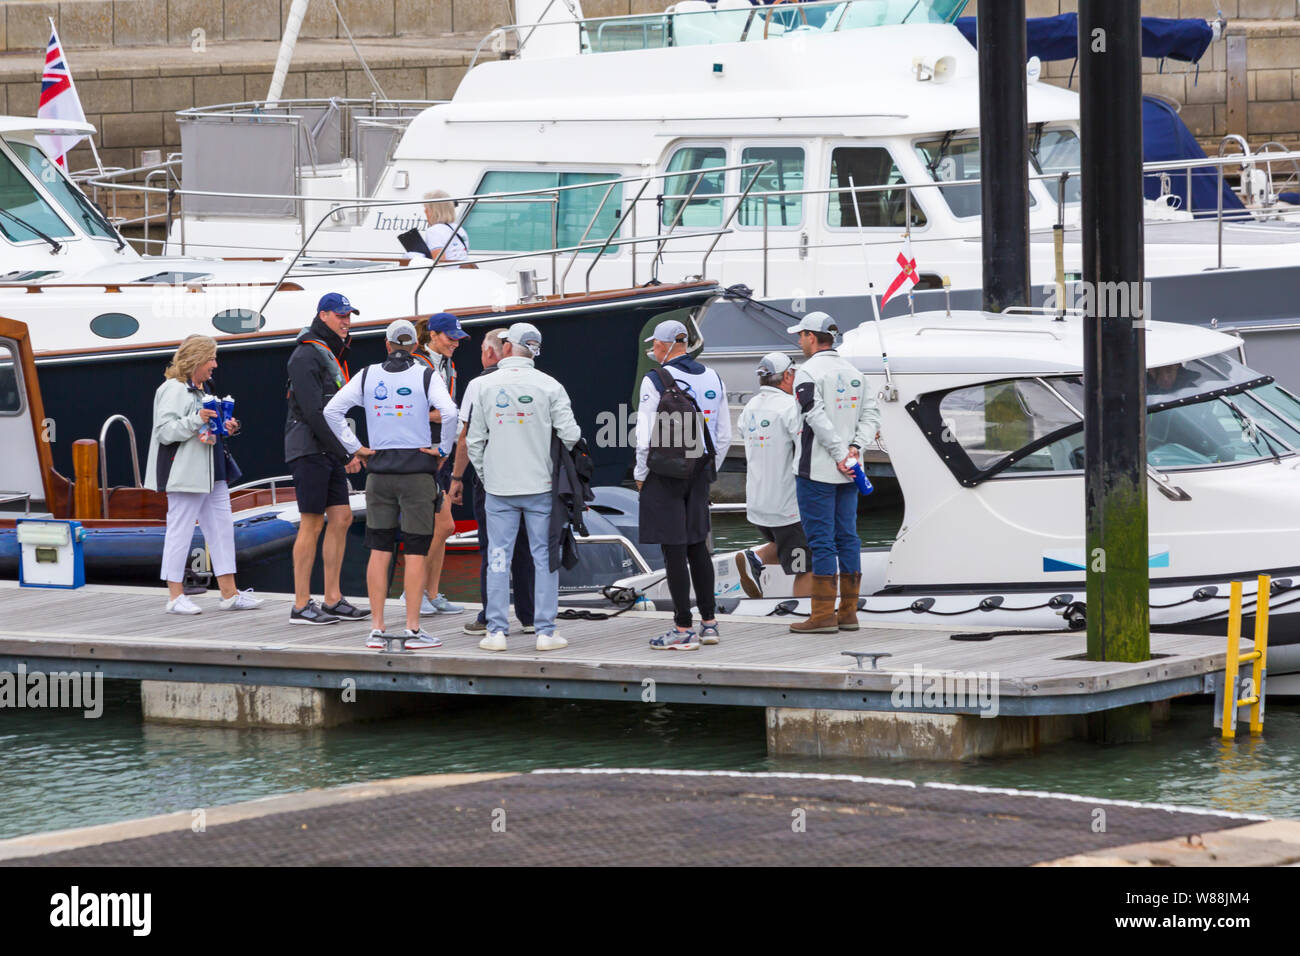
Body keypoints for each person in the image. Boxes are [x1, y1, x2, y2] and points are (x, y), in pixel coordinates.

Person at [323, 319, 458, 649]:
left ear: (386, 344)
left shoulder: (367, 374)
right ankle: (412, 631)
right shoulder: (426, 374)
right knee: (415, 551)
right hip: (416, 472)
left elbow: (331, 410)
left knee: (379, 550)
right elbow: (451, 412)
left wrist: (355, 447)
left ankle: (377, 628)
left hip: (379, 473)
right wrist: (443, 450)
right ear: (414, 347)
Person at [467, 322, 581, 652]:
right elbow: (571, 435)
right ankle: (545, 632)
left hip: (499, 487)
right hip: (540, 484)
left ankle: (496, 632)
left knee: (498, 557)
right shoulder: (550, 386)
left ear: (507, 348)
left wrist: (488, 477)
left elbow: (474, 440)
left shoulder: (485, 387)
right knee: (544, 558)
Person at [145, 334, 263, 614]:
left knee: (222, 530)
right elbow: (164, 432)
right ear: (196, 359)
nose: (215, 364)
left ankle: (230, 593)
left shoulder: (202, 387)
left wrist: (226, 426)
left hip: (212, 471)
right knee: (180, 530)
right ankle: (175, 597)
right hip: (184, 472)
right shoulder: (172, 389)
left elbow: (204, 428)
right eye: (211, 358)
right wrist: (198, 418)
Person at [634, 319, 731, 651]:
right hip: (701, 469)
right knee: (697, 547)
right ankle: (709, 623)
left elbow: (645, 435)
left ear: (663, 346)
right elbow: (723, 434)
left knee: (673, 549)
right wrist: (707, 469)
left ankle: (682, 628)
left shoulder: (655, 379)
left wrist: (641, 473)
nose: (654, 351)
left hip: (666, 472)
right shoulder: (714, 377)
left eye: (655, 346)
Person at [786, 311, 880, 633]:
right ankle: (849, 613)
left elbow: (814, 416)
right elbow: (871, 416)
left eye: (801, 335)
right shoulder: (856, 373)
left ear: (812, 337)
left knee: (822, 541)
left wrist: (840, 453)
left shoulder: (807, 373)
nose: (799, 340)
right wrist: (855, 449)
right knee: (848, 537)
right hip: (851, 471)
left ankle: (823, 615)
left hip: (816, 471)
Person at [284, 292, 369, 626]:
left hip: (328, 448)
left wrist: (342, 448)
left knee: (343, 517)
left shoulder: (332, 352)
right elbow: (312, 411)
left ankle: (332, 598)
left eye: (349, 316)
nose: (346, 322)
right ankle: (301, 604)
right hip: (308, 448)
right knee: (312, 521)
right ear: (322, 316)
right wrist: (348, 449)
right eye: (340, 316)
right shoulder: (306, 354)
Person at [447, 328, 536, 637]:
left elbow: (465, 438)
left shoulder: (480, 384)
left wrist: (457, 477)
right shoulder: (536, 382)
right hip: (530, 476)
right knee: (526, 547)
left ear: (489, 353)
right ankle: (530, 615)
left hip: (493, 479)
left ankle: (490, 615)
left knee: (493, 548)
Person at [403, 312, 469, 617]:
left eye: (457, 338)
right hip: (419, 452)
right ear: (432, 336)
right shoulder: (415, 364)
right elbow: (402, 408)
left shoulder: (449, 366)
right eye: (450, 337)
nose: (455, 343)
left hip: (439, 452)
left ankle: (430, 593)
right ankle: (412, 592)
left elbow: (449, 414)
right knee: (441, 525)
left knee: (441, 527)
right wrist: (437, 415)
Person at [735, 351, 812, 599]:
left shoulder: (750, 407)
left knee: (784, 545)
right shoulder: (791, 408)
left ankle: (754, 558)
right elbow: (805, 454)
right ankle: (807, 615)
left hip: (758, 506)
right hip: (788, 506)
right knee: (806, 565)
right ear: (788, 376)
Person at [418, 190, 469, 262]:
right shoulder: (459, 229)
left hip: (448, 272)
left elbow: (439, 262)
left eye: (427, 209)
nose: (425, 212)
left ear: (434, 211)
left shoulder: (433, 231)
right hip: (465, 270)